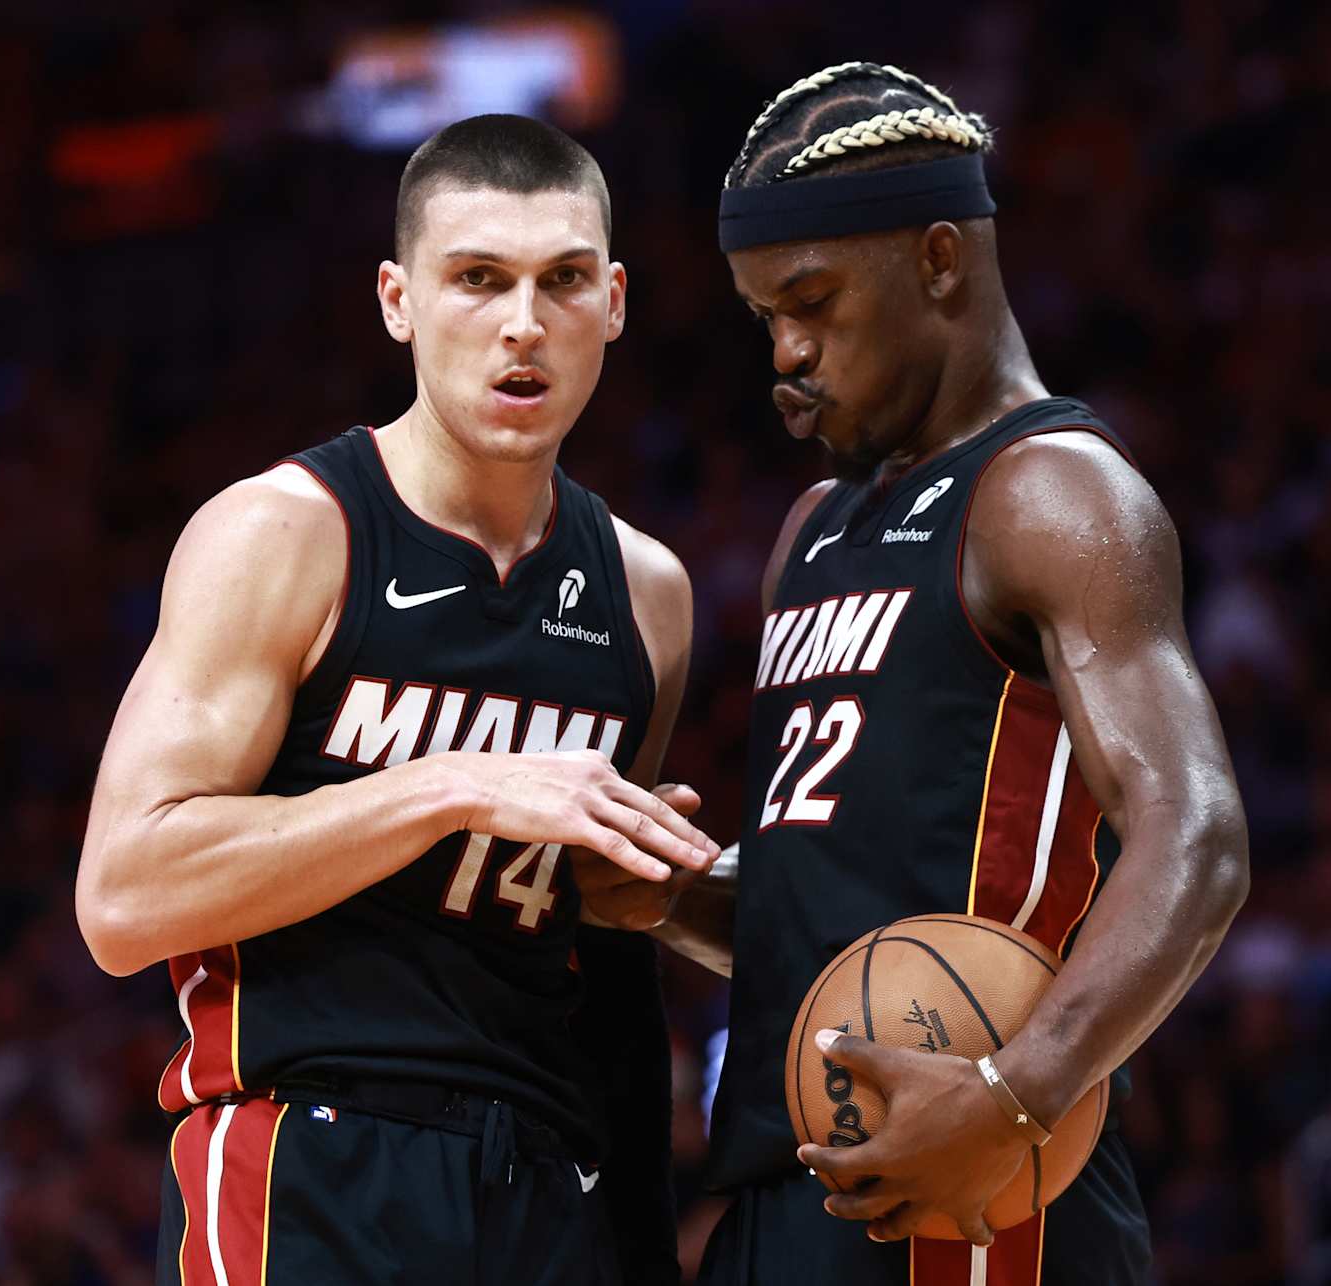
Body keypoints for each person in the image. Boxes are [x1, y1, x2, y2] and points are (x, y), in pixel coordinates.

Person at [73, 113, 718, 1286]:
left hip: (546, 1180)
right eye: (478, 279)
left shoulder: (648, 591)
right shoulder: (283, 532)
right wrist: (454, 784)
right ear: (398, 299)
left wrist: (645, 892)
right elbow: (122, 892)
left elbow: (607, 965)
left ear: (615, 301)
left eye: (563, 280)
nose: (524, 322)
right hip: (312, 1154)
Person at [647, 62, 1251, 1284]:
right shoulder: (810, 527)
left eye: (811, 300)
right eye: (765, 316)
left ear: (937, 261)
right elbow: (837, 902)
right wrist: (664, 888)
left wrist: (1014, 1091)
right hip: (783, 1181)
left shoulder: (1053, 494)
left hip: (975, 1188)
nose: (789, 351)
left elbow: (1200, 833)